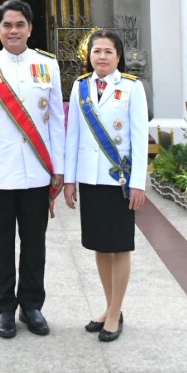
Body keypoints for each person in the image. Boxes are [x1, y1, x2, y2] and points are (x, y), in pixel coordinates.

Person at [0, 0, 64, 339]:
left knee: (35, 243)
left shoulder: (47, 64)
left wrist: (59, 169)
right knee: (0, 243)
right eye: (7, 25)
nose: (13, 31)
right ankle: (4, 307)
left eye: (19, 24)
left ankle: (32, 305)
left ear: (30, 29)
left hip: (37, 171)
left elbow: (56, 121)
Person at [64, 29, 148, 342]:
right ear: (89, 56)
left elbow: (139, 138)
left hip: (119, 179)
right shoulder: (80, 86)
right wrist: (70, 180)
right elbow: (73, 135)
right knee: (99, 245)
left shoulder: (131, 87)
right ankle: (110, 306)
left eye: (108, 51)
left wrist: (138, 183)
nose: (101, 57)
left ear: (118, 56)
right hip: (90, 177)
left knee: (120, 246)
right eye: (96, 51)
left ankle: (115, 313)